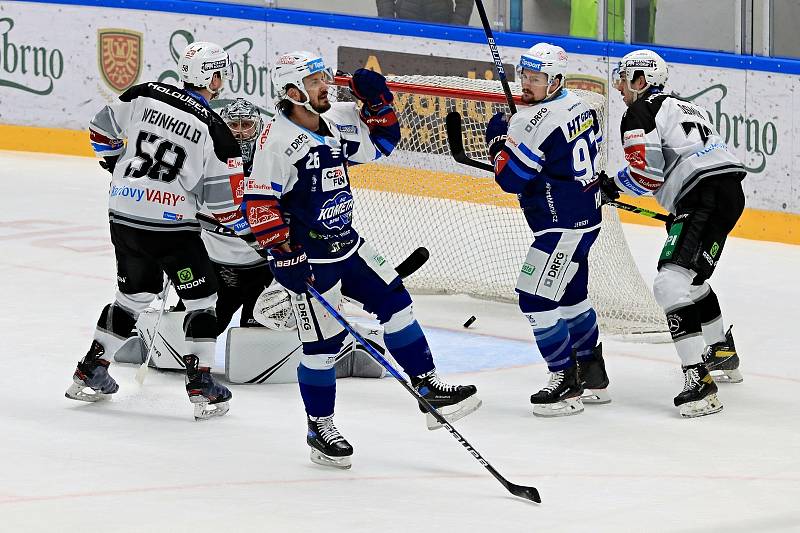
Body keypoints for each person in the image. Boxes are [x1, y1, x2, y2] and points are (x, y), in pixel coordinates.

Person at [245, 51, 480, 469]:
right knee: (322, 348)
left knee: (397, 305)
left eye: (322, 77)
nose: (325, 86)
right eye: (314, 81)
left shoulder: (333, 119)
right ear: (292, 92)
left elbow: (382, 145)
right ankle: (320, 427)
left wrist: (377, 105)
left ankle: (427, 388)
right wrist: (282, 255)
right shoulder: (276, 141)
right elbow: (260, 204)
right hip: (311, 258)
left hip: (349, 245)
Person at [66, 41, 251, 421]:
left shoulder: (144, 93)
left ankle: (91, 371)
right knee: (203, 302)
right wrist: (252, 233)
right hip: (170, 229)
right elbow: (224, 208)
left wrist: (118, 167)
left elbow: (100, 131)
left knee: (133, 295)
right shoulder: (218, 132)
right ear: (213, 77)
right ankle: (201, 384)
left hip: (122, 212)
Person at [601, 49, 745, 418]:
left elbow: (647, 175)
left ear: (641, 80)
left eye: (624, 77)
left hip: (702, 197)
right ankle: (721, 351)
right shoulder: (684, 105)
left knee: (669, 285)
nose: (619, 85)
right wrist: (682, 211)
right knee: (691, 280)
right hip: (727, 193)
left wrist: (611, 186)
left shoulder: (640, 110)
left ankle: (698, 381)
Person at [483, 43, 608, 417]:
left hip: (561, 228)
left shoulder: (529, 122)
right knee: (572, 297)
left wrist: (497, 144)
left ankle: (565, 381)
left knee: (534, 298)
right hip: (588, 218)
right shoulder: (583, 106)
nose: (526, 84)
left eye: (536, 79)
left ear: (555, 80)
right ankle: (593, 374)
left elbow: (511, 179)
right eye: (525, 76)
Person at [192, 98, 275, 332]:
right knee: (201, 330)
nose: (239, 132)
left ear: (258, 127)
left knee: (255, 339)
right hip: (217, 269)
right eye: (233, 126)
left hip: (261, 270)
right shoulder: (207, 162)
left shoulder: (269, 164)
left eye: (246, 124)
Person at [376, 0, 474, 25]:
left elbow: (465, 3)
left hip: (442, 32)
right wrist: (389, 24)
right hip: (404, 29)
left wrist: (456, 28)